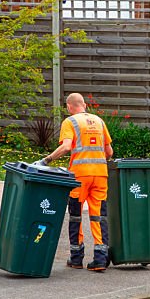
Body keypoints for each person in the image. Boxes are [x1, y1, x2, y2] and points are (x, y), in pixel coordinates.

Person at [38, 93, 114, 271]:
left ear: (69, 107)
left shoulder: (70, 122)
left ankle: (76, 258)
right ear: (85, 105)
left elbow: (66, 146)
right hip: (100, 174)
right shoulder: (99, 121)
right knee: (99, 216)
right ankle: (100, 260)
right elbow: (109, 151)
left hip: (79, 177)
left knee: (76, 216)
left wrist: (46, 160)